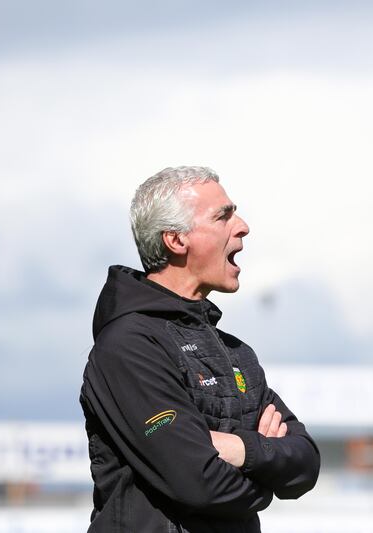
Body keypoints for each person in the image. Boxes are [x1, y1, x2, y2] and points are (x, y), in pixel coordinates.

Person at [80, 166, 320, 532]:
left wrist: (241, 449)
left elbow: (306, 463)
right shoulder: (128, 347)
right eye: (223, 216)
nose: (242, 226)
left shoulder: (237, 352)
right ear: (176, 240)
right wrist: (267, 478)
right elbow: (198, 483)